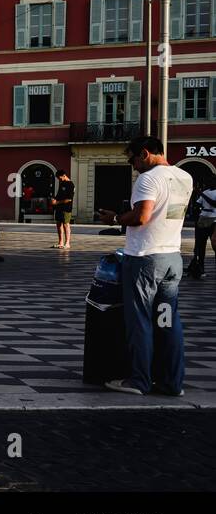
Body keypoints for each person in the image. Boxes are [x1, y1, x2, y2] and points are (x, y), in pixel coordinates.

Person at [96, 136, 190, 397]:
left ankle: (139, 380)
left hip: (145, 258)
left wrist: (115, 218)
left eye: (133, 159)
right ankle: (172, 382)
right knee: (168, 321)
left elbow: (142, 216)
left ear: (145, 153)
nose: (133, 165)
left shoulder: (148, 179)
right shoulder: (185, 177)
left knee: (140, 321)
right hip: (172, 257)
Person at [188, 183, 216, 280]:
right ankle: (200, 269)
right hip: (203, 219)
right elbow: (198, 204)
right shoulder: (206, 192)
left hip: (214, 220)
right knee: (200, 246)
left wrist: (201, 194)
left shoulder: (204, 193)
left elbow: (214, 203)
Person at [52, 169, 75, 249]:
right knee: (58, 224)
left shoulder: (70, 184)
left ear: (64, 175)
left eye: (60, 178)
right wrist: (54, 199)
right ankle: (60, 242)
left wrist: (57, 202)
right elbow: (59, 194)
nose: (59, 179)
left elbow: (69, 199)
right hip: (59, 207)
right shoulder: (62, 183)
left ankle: (67, 243)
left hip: (66, 208)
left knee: (66, 224)